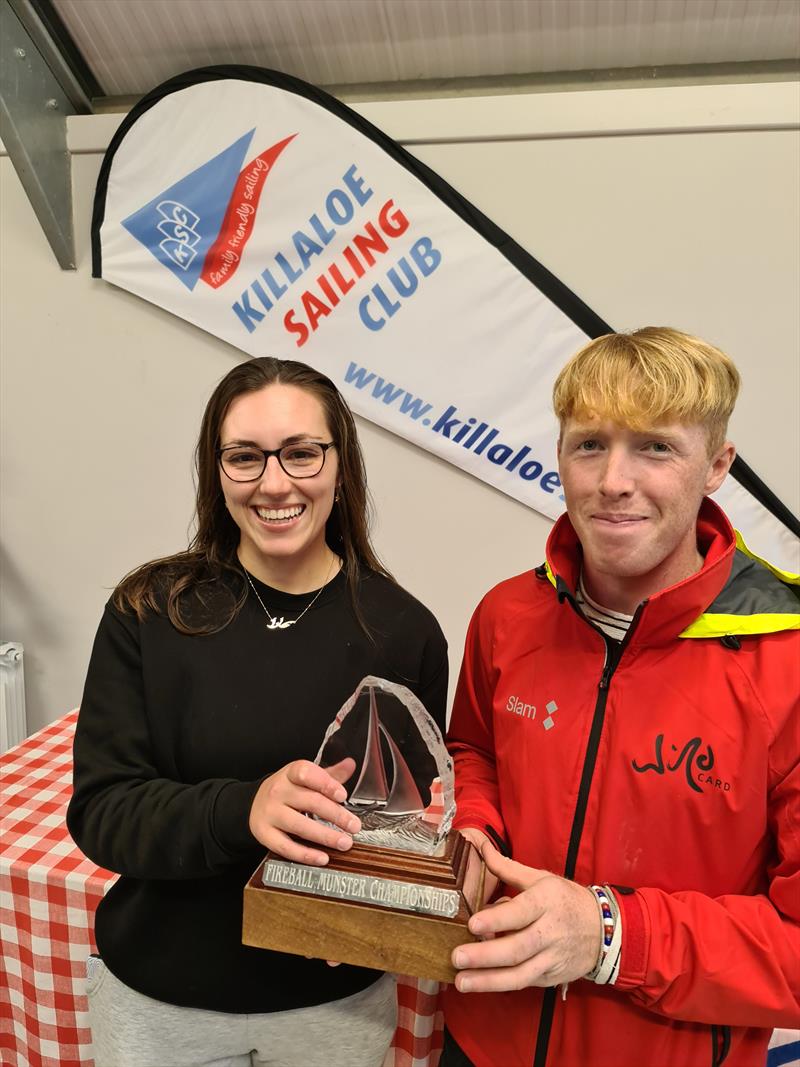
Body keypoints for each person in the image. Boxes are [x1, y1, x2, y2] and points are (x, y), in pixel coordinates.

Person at [67, 356, 447, 1067]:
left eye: (302, 452)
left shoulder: (405, 632)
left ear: (341, 464)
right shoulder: (147, 612)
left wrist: (373, 910)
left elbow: (405, 830)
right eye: (245, 457)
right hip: (160, 1006)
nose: (275, 483)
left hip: (333, 1011)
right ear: (217, 471)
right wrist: (246, 810)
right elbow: (102, 810)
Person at [441, 328, 799, 1067]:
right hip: (477, 1043)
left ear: (717, 465)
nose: (612, 480)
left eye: (655, 447)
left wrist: (609, 935)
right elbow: (474, 750)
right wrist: (475, 827)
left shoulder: (787, 659)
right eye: (589, 444)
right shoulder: (506, 616)